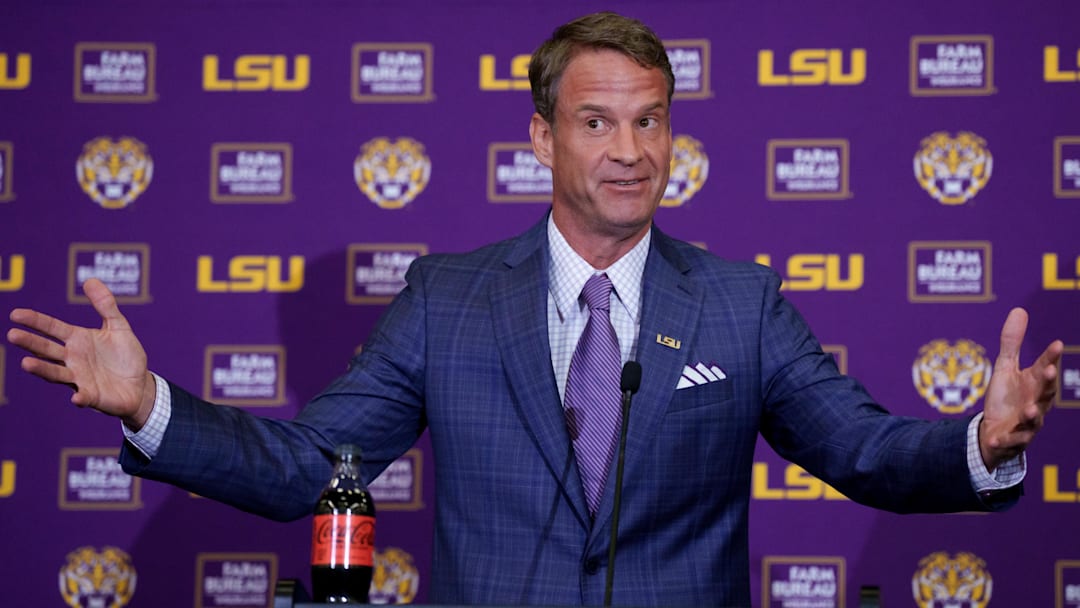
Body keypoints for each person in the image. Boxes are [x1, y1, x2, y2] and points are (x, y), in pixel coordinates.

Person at [7, 11, 1063, 607]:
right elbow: (306, 467)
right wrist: (151, 403)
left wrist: (979, 439)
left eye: (651, 121)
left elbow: (865, 450)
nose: (631, 150)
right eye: (597, 121)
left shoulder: (741, 303)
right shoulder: (448, 299)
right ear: (540, 139)